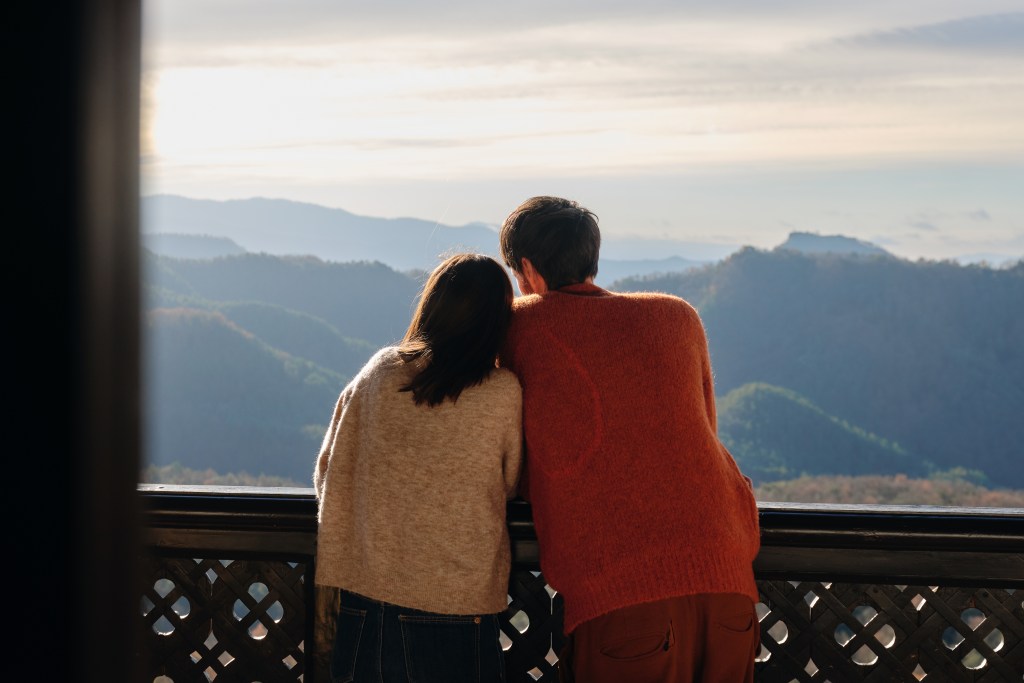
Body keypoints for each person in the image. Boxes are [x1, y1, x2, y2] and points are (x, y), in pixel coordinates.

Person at [497, 196, 761, 683]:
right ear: (592, 256)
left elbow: (509, 457)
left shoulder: (519, 327)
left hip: (624, 599)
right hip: (728, 583)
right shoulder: (678, 316)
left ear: (527, 270)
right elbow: (701, 431)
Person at [313, 252, 523, 683]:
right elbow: (511, 482)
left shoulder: (380, 370)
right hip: (456, 606)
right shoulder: (500, 391)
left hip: (364, 599)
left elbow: (328, 471)